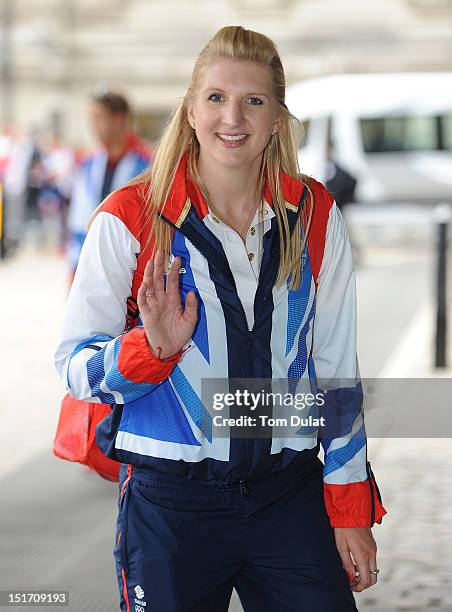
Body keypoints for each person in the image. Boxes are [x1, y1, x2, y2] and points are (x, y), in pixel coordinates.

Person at [54, 26, 387, 612]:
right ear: (189, 110)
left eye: (253, 100)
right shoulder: (129, 217)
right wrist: (149, 351)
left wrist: (348, 510)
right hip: (171, 506)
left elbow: (336, 374)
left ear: (278, 118)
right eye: (215, 98)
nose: (232, 117)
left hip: (289, 497)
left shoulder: (314, 215)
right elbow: (75, 368)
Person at [66, 87, 152, 283]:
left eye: (98, 118)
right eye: (91, 118)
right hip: (91, 269)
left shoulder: (147, 165)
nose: (93, 125)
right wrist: (74, 267)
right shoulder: (89, 164)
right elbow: (78, 220)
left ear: (119, 119)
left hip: (133, 273)